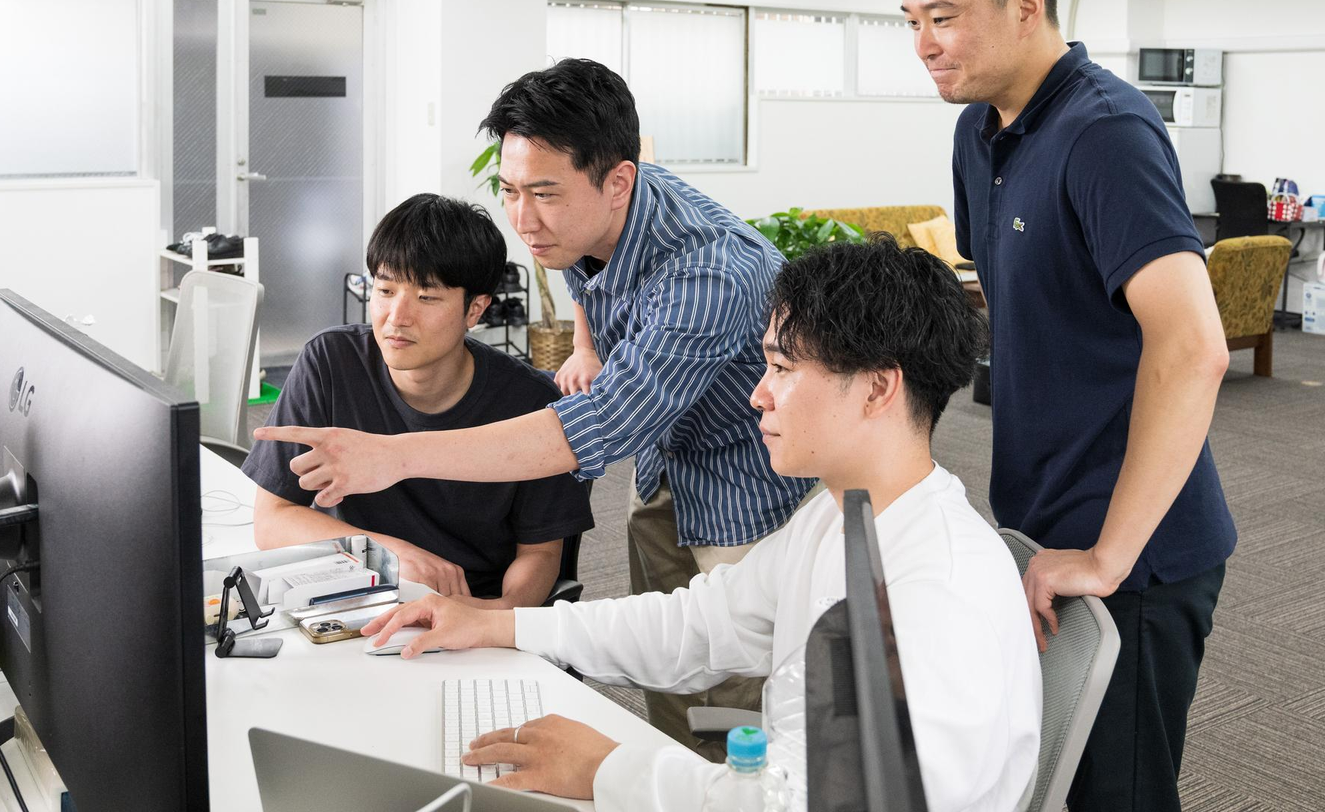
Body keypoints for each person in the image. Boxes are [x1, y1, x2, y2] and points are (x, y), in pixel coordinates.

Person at [362, 236, 1042, 812]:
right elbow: (698, 623)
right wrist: (500, 625)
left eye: (781, 368)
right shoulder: (840, 516)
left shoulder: (933, 593)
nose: (758, 394)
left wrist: (607, 768)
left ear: (877, 387)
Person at [256, 59, 814, 750]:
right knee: (665, 657)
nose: (523, 220)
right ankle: (679, 774)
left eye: (544, 194)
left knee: (738, 678)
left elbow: (598, 427)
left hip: (745, 468)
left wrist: (393, 456)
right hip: (665, 455)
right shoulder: (587, 217)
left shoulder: (709, 272)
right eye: (510, 191)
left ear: (618, 182)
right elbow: (585, 277)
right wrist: (586, 344)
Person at [895, 0, 1236, 812]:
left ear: (1026, 4)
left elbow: (1193, 347)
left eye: (944, 17)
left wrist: (1109, 556)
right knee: (1048, 783)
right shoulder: (978, 130)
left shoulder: (1105, 131)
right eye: (911, 20)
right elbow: (1012, 306)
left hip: (1133, 551)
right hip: (1039, 527)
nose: (924, 43)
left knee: (1119, 795)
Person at [241, 194, 593, 608]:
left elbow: (540, 554)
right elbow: (273, 519)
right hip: (358, 593)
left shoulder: (531, 402)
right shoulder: (332, 362)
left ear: (475, 309)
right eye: (385, 290)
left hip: (471, 606)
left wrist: (493, 615)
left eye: (427, 297)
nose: (397, 317)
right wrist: (389, 553)